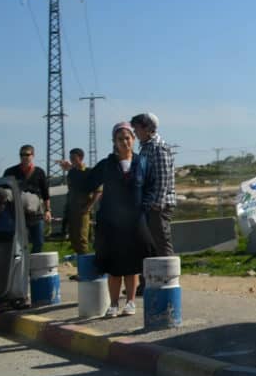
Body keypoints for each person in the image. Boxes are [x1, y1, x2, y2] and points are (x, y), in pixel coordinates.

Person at [61, 122, 152, 317]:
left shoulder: (142, 163)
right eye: (120, 139)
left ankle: (130, 302)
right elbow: (87, 182)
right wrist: (73, 170)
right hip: (111, 223)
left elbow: (150, 188)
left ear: (133, 140)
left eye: (128, 138)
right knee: (114, 265)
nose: (125, 142)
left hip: (134, 222)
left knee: (132, 264)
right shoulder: (107, 164)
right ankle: (112, 304)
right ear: (114, 142)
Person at [131, 113, 175, 297]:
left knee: (160, 242)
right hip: (146, 204)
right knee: (146, 244)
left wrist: (157, 203)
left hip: (158, 205)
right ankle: (148, 282)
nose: (135, 132)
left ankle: (167, 282)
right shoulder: (146, 147)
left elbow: (163, 177)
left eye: (137, 129)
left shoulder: (158, 147)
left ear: (148, 128)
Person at [3, 145, 50, 254]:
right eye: (22, 155)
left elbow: (45, 194)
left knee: (38, 242)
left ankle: (33, 265)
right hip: (17, 213)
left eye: (27, 154)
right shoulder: (10, 172)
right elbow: (4, 193)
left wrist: (48, 210)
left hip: (36, 213)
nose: (24, 157)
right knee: (19, 242)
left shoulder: (39, 172)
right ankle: (22, 267)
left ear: (33, 155)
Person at [63, 148, 101, 254]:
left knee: (82, 238)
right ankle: (79, 262)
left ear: (81, 158)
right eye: (70, 158)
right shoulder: (71, 173)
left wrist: (88, 206)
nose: (72, 161)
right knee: (73, 237)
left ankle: (86, 263)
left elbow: (98, 191)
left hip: (83, 209)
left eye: (74, 158)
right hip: (72, 208)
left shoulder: (89, 172)